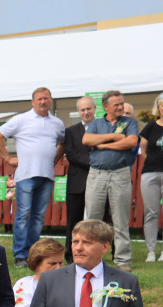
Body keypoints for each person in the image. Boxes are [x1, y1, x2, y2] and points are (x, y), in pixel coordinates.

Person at [0, 87, 66, 267]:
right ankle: (21, 255)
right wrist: (8, 158)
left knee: (38, 216)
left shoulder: (57, 123)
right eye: (39, 99)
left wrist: (53, 160)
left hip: (47, 175)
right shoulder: (21, 119)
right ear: (33, 102)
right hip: (25, 175)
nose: (43, 101)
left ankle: (34, 252)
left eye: (46, 98)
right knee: (23, 214)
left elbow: (62, 143)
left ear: (51, 100)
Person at [83, 91, 140, 273]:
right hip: (97, 174)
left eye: (121, 103)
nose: (120, 107)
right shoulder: (97, 123)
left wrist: (103, 145)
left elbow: (131, 141)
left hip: (120, 174)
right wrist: (115, 137)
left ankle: (123, 260)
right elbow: (87, 139)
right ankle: (90, 258)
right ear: (106, 106)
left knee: (120, 219)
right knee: (92, 218)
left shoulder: (129, 122)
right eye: (116, 104)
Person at [139, 90, 163, 263]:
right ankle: (151, 251)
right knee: (150, 213)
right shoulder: (150, 127)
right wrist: (156, 162)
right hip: (150, 173)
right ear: (158, 107)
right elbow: (144, 150)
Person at [63, 97, 96, 263]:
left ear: (95, 109)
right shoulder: (70, 131)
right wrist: (94, 162)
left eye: (89, 109)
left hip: (98, 180)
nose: (86, 112)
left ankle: (97, 253)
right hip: (77, 182)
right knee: (73, 220)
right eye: (82, 110)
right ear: (79, 112)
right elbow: (70, 154)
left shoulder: (102, 128)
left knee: (98, 220)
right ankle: (70, 254)